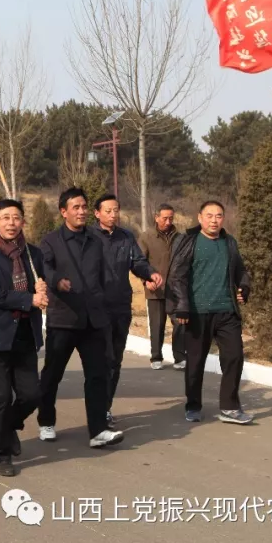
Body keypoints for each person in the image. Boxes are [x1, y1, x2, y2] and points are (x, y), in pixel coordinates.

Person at [35, 188, 124, 449]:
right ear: (64, 211)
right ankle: (46, 421)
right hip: (64, 318)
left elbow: (104, 275)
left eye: (84, 206)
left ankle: (98, 430)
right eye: (76, 207)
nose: (82, 211)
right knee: (53, 374)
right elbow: (44, 267)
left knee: (97, 375)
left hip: (94, 319)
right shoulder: (51, 241)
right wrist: (55, 282)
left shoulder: (96, 240)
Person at [0, 199, 48, 477]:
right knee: (1, 397)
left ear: (23, 222)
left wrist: (43, 286)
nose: (11, 223)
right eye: (5, 217)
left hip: (25, 336)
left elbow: (43, 285)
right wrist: (30, 298)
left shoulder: (33, 255)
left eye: (16, 217)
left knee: (31, 395)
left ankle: (9, 426)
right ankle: (1, 453)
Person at [167, 200, 254, 425]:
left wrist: (244, 287)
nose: (214, 220)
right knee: (195, 362)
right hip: (197, 312)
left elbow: (241, 271)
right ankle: (193, 405)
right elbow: (177, 276)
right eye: (209, 216)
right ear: (199, 218)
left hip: (227, 312)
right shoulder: (189, 242)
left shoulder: (229, 243)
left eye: (218, 216)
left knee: (234, 356)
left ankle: (230, 407)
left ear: (223, 218)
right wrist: (182, 306)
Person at [93, 194, 162, 426]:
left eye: (116, 210)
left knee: (114, 360)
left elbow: (138, 262)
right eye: (108, 211)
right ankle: (96, 407)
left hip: (121, 306)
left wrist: (149, 273)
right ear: (97, 213)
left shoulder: (126, 237)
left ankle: (104, 408)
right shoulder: (89, 237)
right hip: (95, 308)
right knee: (99, 361)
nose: (113, 215)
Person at [138, 204, 186, 371]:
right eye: (164, 218)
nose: (168, 221)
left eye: (171, 218)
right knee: (157, 325)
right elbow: (139, 262)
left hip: (176, 290)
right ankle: (156, 357)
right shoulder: (146, 237)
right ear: (156, 217)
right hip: (155, 289)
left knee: (180, 323)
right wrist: (146, 280)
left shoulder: (180, 238)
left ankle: (180, 357)